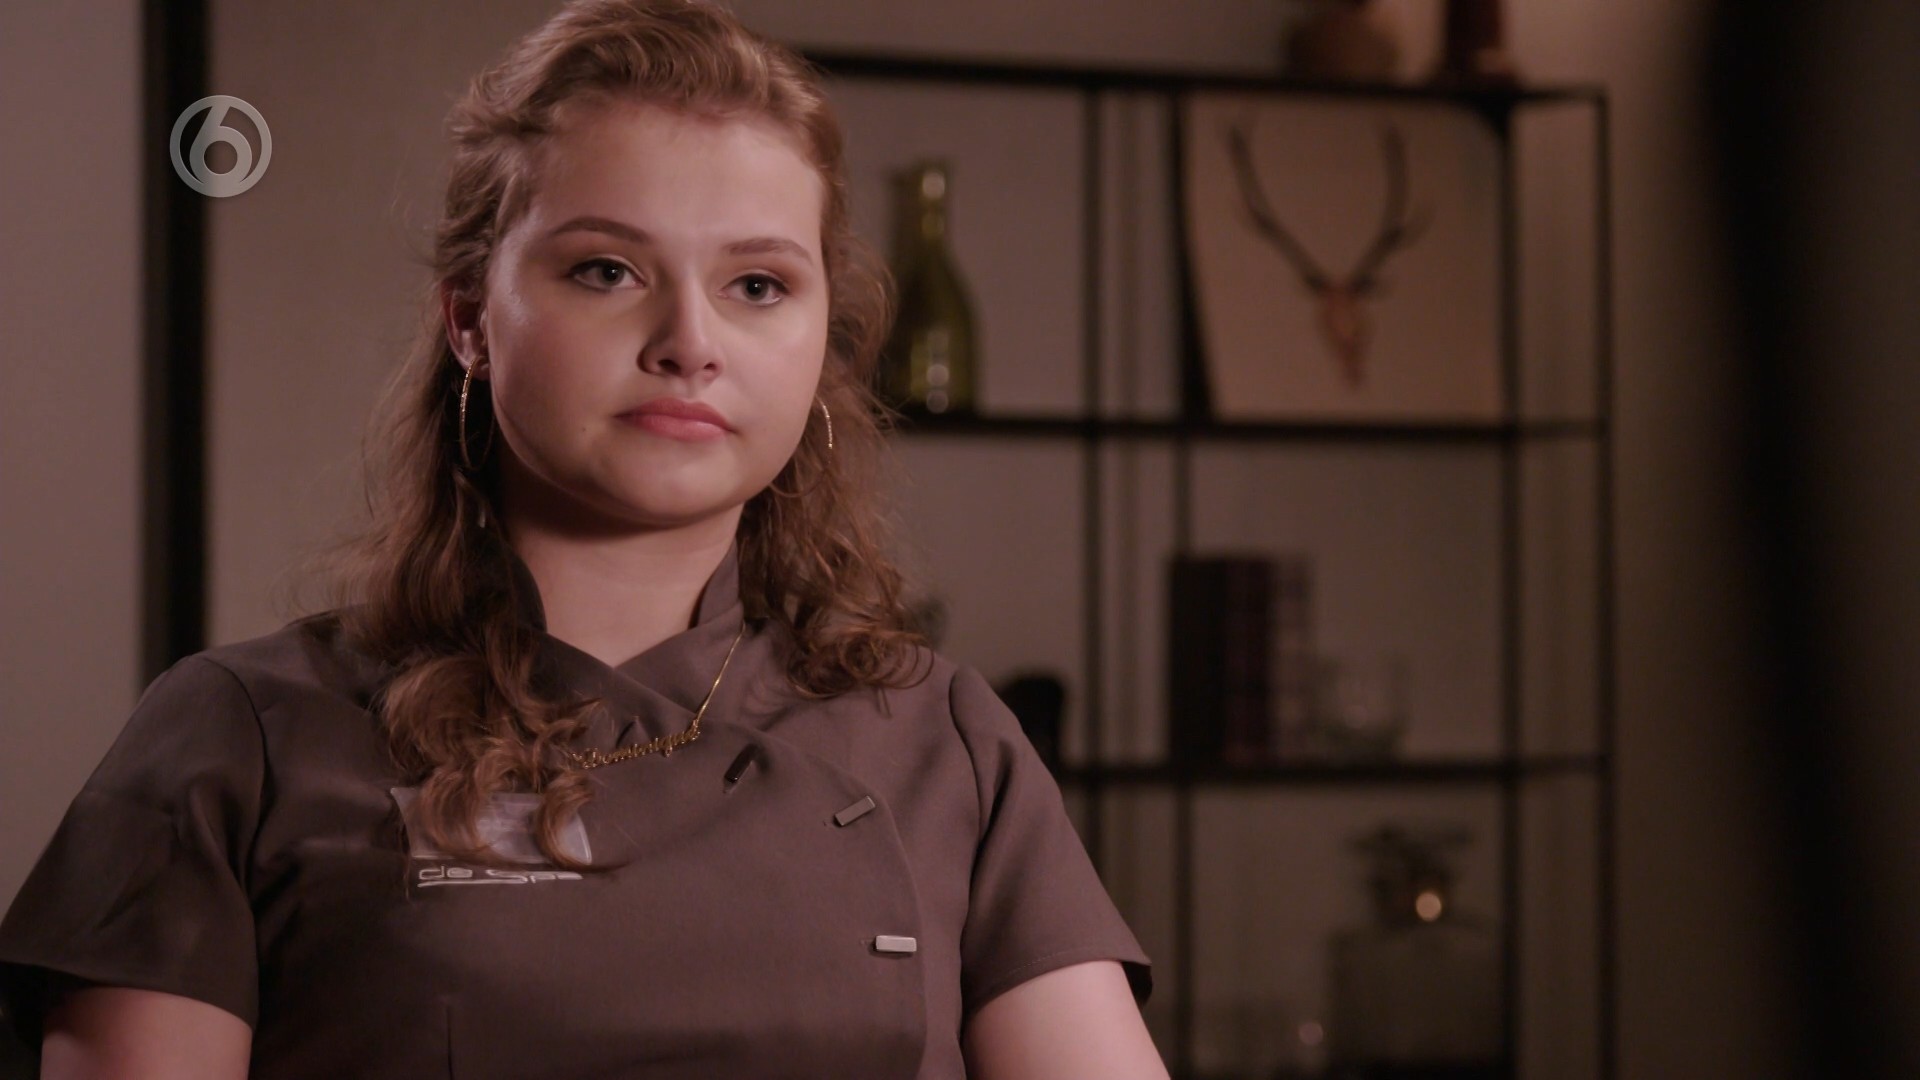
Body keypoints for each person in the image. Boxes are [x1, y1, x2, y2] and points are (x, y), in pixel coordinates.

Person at [0, 1, 1164, 1077]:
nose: (690, 342)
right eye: (606, 271)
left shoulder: (945, 742)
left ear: (824, 342)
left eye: (759, 285)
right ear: (470, 320)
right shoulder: (238, 740)